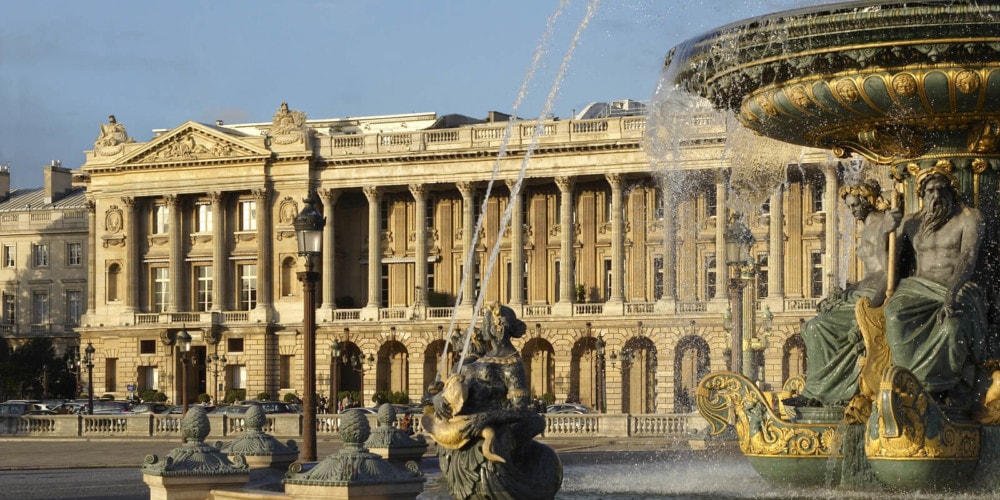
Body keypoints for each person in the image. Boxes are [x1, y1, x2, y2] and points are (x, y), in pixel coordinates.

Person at [423, 302, 562, 499]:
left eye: (487, 321)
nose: (483, 325)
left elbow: (520, 409)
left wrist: (486, 418)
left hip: (486, 425)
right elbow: (451, 386)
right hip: (463, 423)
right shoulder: (480, 358)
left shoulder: (512, 363)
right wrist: (438, 398)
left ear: (498, 327)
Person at [883, 166, 987, 407]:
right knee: (894, 315)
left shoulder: (970, 218)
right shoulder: (911, 223)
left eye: (942, 189)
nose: (936, 195)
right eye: (930, 190)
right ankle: (908, 383)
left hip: (956, 286)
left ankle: (947, 387)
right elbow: (889, 264)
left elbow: (968, 257)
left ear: (952, 191)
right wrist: (884, 231)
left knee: (952, 326)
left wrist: (952, 291)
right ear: (922, 194)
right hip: (918, 288)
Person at [785, 180, 895, 407]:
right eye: (850, 207)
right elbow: (871, 272)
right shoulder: (867, 227)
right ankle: (822, 390)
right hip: (861, 292)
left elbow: (889, 272)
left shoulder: (884, 224)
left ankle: (819, 393)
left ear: (869, 200)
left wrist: (870, 311)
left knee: (817, 327)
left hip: (874, 296)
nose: (853, 211)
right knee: (809, 326)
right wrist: (846, 291)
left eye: (856, 205)